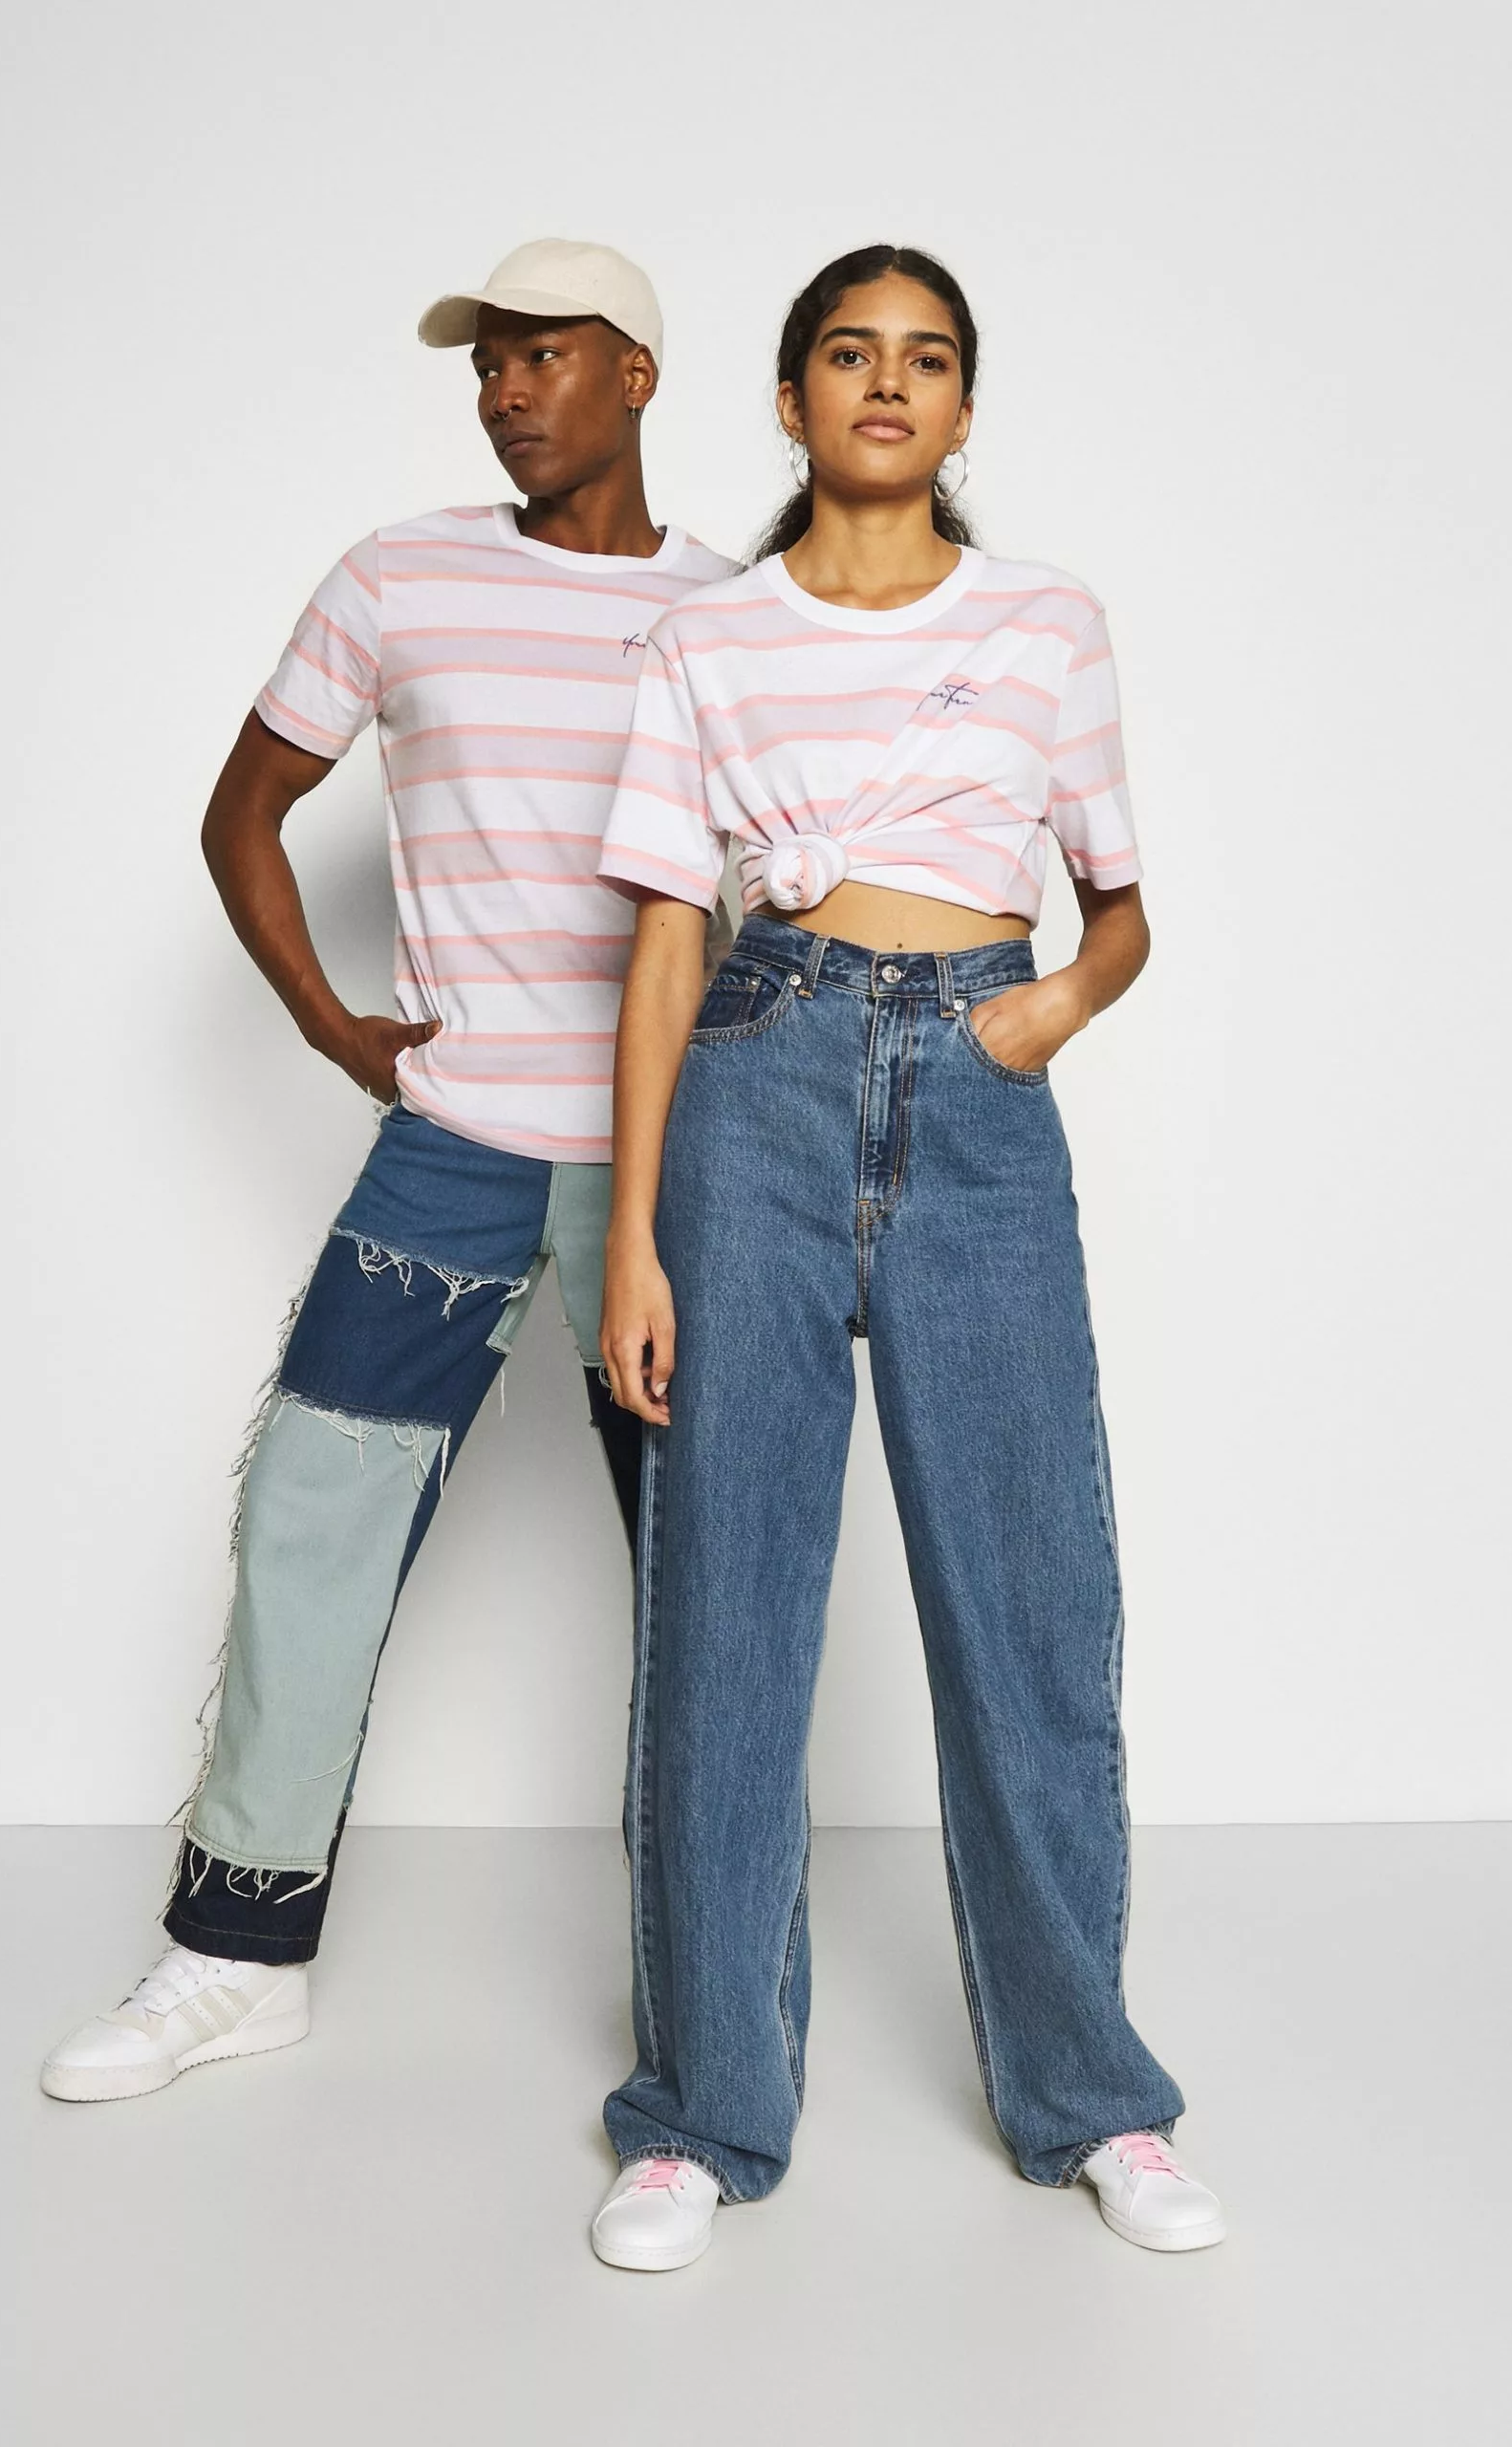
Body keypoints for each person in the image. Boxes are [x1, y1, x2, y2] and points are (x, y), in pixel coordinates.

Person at [585, 244, 1226, 2265]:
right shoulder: (704, 639)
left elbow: (1120, 903)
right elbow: (664, 940)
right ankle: (702, 2112)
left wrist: (1051, 1012)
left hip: (977, 1087)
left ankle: (1093, 2096)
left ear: (961, 407)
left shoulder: (1048, 623)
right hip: (754, 1087)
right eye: (849, 354)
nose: (887, 382)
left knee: (1030, 1600)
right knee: (728, 1611)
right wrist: (630, 1238)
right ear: (789, 402)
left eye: (926, 358)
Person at [41, 241, 733, 2103]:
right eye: (488, 362)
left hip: (672, 1170)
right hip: (455, 1147)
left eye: (543, 354)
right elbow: (244, 812)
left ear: (637, 375)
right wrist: (334, 1026)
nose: (505, 389)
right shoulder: (399, 575)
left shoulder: (733, 610)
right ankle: (236, 1954)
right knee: (309, 1522)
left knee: (714, 1568)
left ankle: (717, 1996)